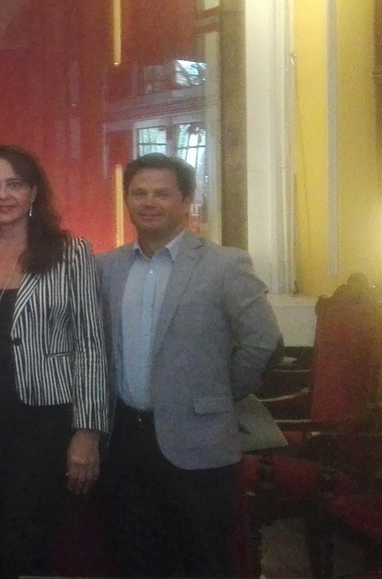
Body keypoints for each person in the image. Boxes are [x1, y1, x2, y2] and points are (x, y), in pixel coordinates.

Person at [98, 153, 281, 577]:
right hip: (124, 440)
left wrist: (219, 391)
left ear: (186, 201)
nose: (149, 202)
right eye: (139, 193)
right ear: (127, 200)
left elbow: (263, 341)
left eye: (162, 193)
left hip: (200, 442)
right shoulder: (105, 267)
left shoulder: (224, 264)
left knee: (204, 561)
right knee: (134, 558)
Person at [0, 145, 109, 579]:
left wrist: (88, 433)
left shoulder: (70, 253)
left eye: (14, 184)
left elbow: (92, 345)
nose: (3, 195)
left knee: (28, 538)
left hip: (45, 420)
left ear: (33, 192)